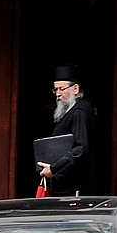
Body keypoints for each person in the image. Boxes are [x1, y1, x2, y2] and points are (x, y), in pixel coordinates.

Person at [38, 65, 96, 196]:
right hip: (68, 184)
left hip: (75, 186)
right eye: (55, 89)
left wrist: (54, 169)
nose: (58, 94)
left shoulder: (80, 112)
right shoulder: (73, 109)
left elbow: (80, 149)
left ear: (75, 89)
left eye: (62, 89)